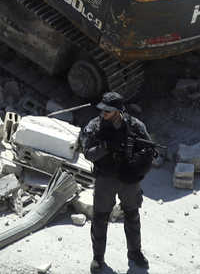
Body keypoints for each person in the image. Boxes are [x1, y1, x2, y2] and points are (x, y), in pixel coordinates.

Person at [81, 92, 155, 272]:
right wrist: (106, 147)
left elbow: (148, 151)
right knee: (100, 218)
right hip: (105, 178)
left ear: (118, 111)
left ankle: (135, 253)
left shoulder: (135, 126)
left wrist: (137, 167)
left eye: (108, 111)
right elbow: (88, 153)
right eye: (103, 110)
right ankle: (98, 258)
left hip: (128, 179)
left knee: (132, 215)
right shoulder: (95, 126)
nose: (103, 113)